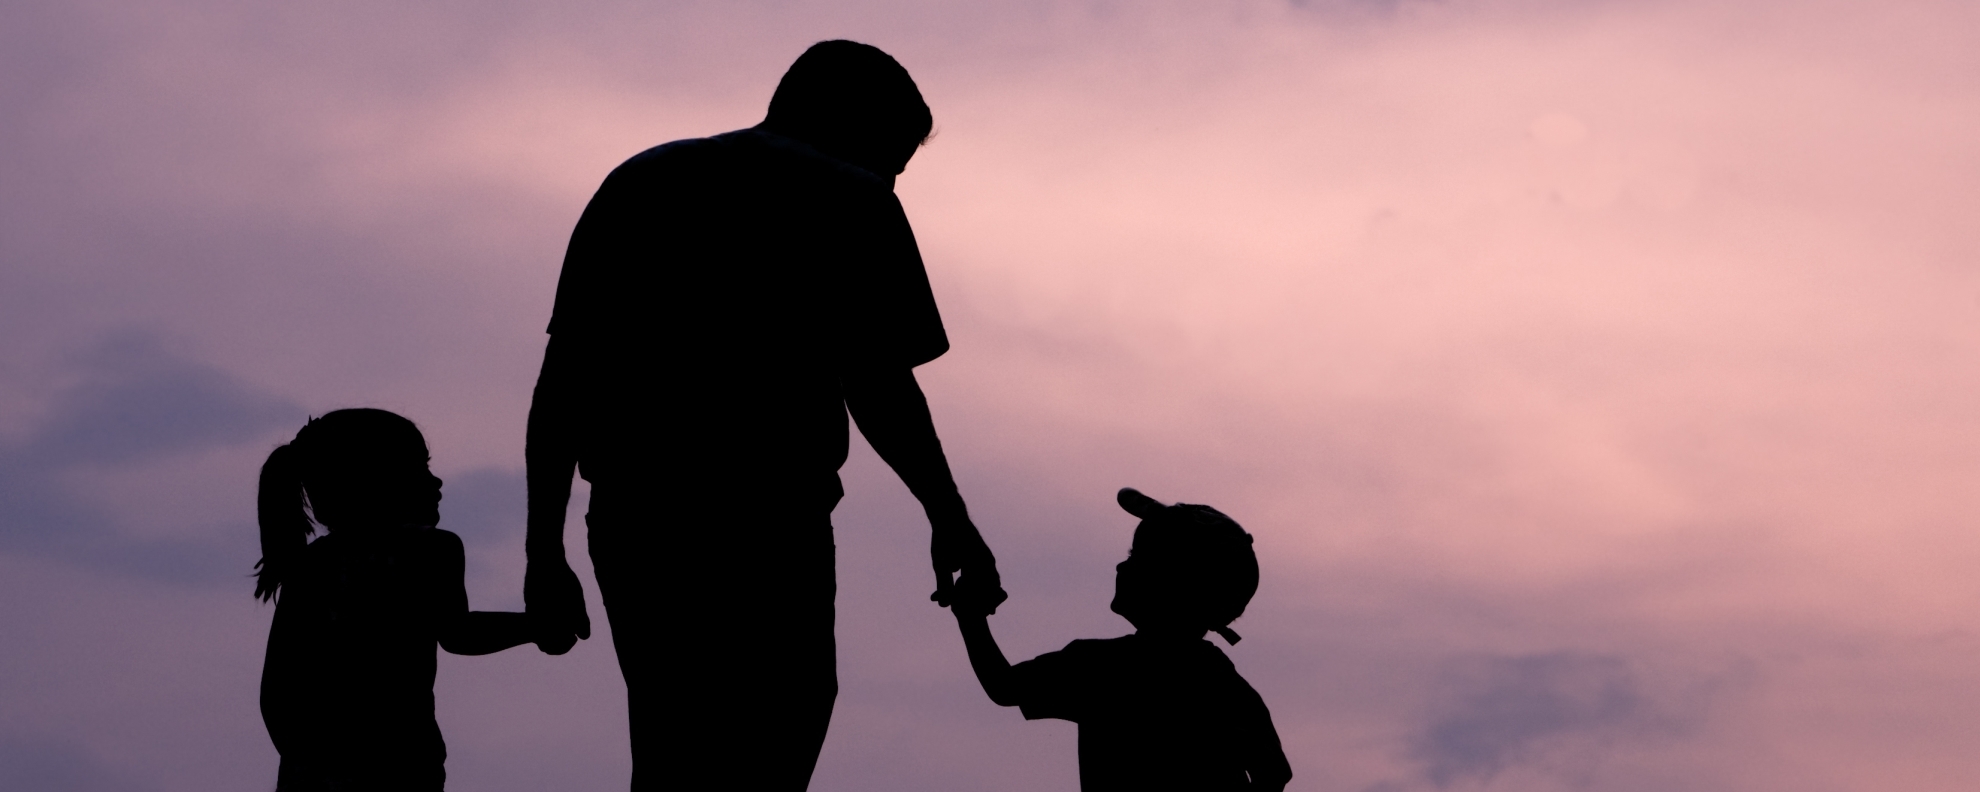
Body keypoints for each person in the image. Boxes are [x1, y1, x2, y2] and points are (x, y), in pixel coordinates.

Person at [521, 40, 1006, 789]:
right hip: (771, 516)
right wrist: (950, 516)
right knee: (781, 721)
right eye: (893, 158)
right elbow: (881, 386)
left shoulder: (642, 179)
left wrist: (543, 552)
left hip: (636, 514)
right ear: (858, 128)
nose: (889, 176)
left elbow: (564, 383)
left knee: (672, 732)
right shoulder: (857, 201)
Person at [254, 408, 544, 791]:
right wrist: (537, 625)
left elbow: (275, 694)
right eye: (419, 467)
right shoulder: (432, 550)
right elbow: (458, 632)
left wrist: (309, 760)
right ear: (379, 480)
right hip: (403, 768)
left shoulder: (310, 566)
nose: (436, 481)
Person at [951, 488, 1294, 792]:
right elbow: (1274, 773)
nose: (1121, 565)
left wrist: (970, 616)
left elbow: (1004, 687)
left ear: (1175, 585)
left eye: (1138, 558)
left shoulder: (1100, 667)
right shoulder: (1220, 681)